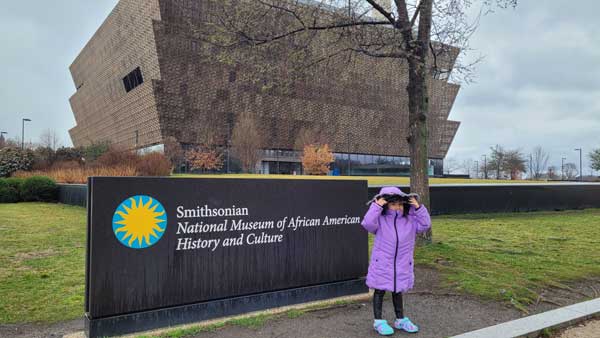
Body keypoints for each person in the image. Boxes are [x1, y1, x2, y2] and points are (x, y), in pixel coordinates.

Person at [361, 186, 432, 336]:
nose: (397, 207)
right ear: (386, 204)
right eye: (393, 204)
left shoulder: (410, 220)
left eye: (400, 204)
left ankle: (400, 319)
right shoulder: (379, 220)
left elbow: (425, 225)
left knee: (398, 290)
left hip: (402, 263)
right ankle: (378, 321)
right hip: (382, 263)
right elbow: (367, 223)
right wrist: (376, 206)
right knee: (379, 290)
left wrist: (418, 208)